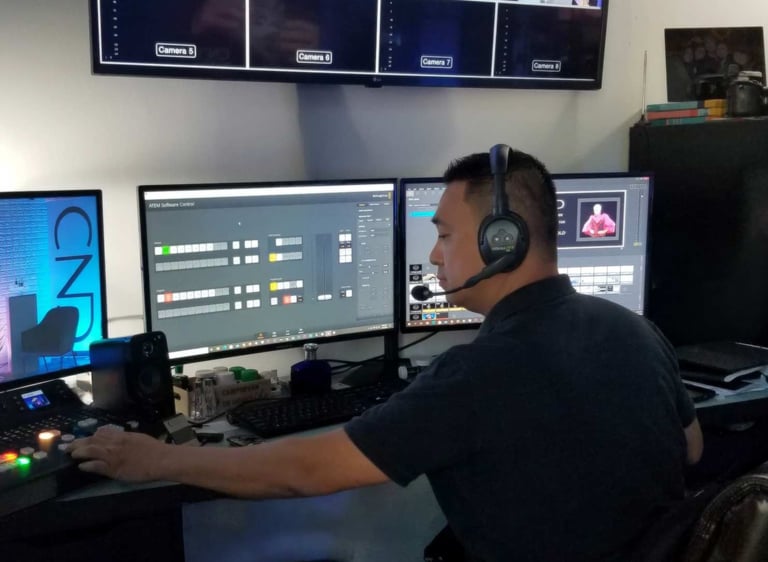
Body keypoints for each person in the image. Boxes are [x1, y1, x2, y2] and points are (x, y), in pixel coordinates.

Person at [68, 147, 702, 561]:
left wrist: (158, 458)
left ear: (500, 241)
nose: (433, 256)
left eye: (444, 235)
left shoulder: (476, 374)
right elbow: (691, 447)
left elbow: (305, 473)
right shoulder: (635, 330)